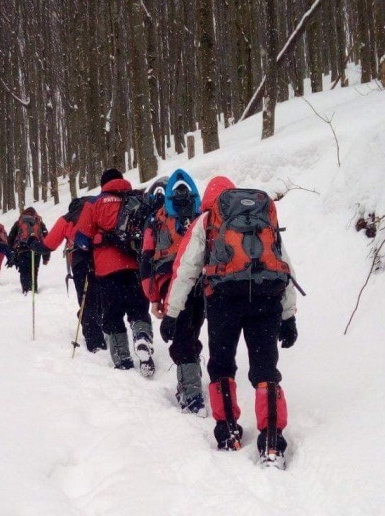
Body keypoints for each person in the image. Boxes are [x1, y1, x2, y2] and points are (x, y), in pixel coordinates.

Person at [163, 176, 299, 469]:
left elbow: (186, 269)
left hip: (224, 300)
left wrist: (173, 313)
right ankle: (272, 441)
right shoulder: (261, 216)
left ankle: (228, 433)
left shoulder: (207, 220)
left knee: (222, 365)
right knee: (265, 369)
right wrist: (289, 316)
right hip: (267, 298)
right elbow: (283, 262)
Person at [75, 168, 155, 377]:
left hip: (107, 270)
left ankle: (123, 361)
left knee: (113, 314)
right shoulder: (138, 198)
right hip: (136, 265)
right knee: (138, 309)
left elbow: (81, 239)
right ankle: (142, 337)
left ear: (103, 184)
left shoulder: (95, 203)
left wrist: (97, 242)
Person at [141, 169, 206, 414]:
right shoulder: (202, 215)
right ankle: (192, 378)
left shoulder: (156, 219)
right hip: (202, 282)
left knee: (182, 337)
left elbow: (146, 259)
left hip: (171, 283)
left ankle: (191, 396)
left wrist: (153, 298)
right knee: (190, 332)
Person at [28, 197, 106, 353]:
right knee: (101, 296)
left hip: (80, 262)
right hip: (104, 259)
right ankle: (102, 325)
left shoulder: (68, 218)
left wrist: (33, 243)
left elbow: (48, 245)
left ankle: (96, 343)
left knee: (86, 299)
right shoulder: (100, 211)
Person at [8, 207, 50, 295]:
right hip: (36, 250)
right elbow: (46, 240)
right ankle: (33, 290)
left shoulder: (19, 223)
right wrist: (46, 257)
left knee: (24, 272)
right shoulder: (39, 223)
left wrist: (12, 252)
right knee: (34, 271)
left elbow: (11, 238)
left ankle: (26, 290)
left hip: (22, 250)